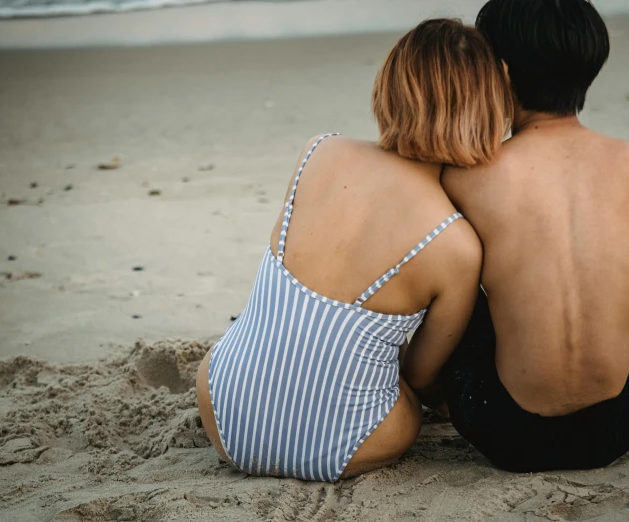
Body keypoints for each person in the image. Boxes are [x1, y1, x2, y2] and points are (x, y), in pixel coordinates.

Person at [195, 19, 513, 482]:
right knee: (403, 400)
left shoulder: (319, 152)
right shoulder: (455, 244)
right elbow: (424, 377)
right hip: (344, 445)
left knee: (232, 348)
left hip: (224, 417)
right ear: (486, 110)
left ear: (390, 87)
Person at [428, 0, 629, 472]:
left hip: (507, 431)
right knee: (613, 291)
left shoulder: (464, 178)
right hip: (620, 422)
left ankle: (436, 399)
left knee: (459, 285)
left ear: (498, 71)